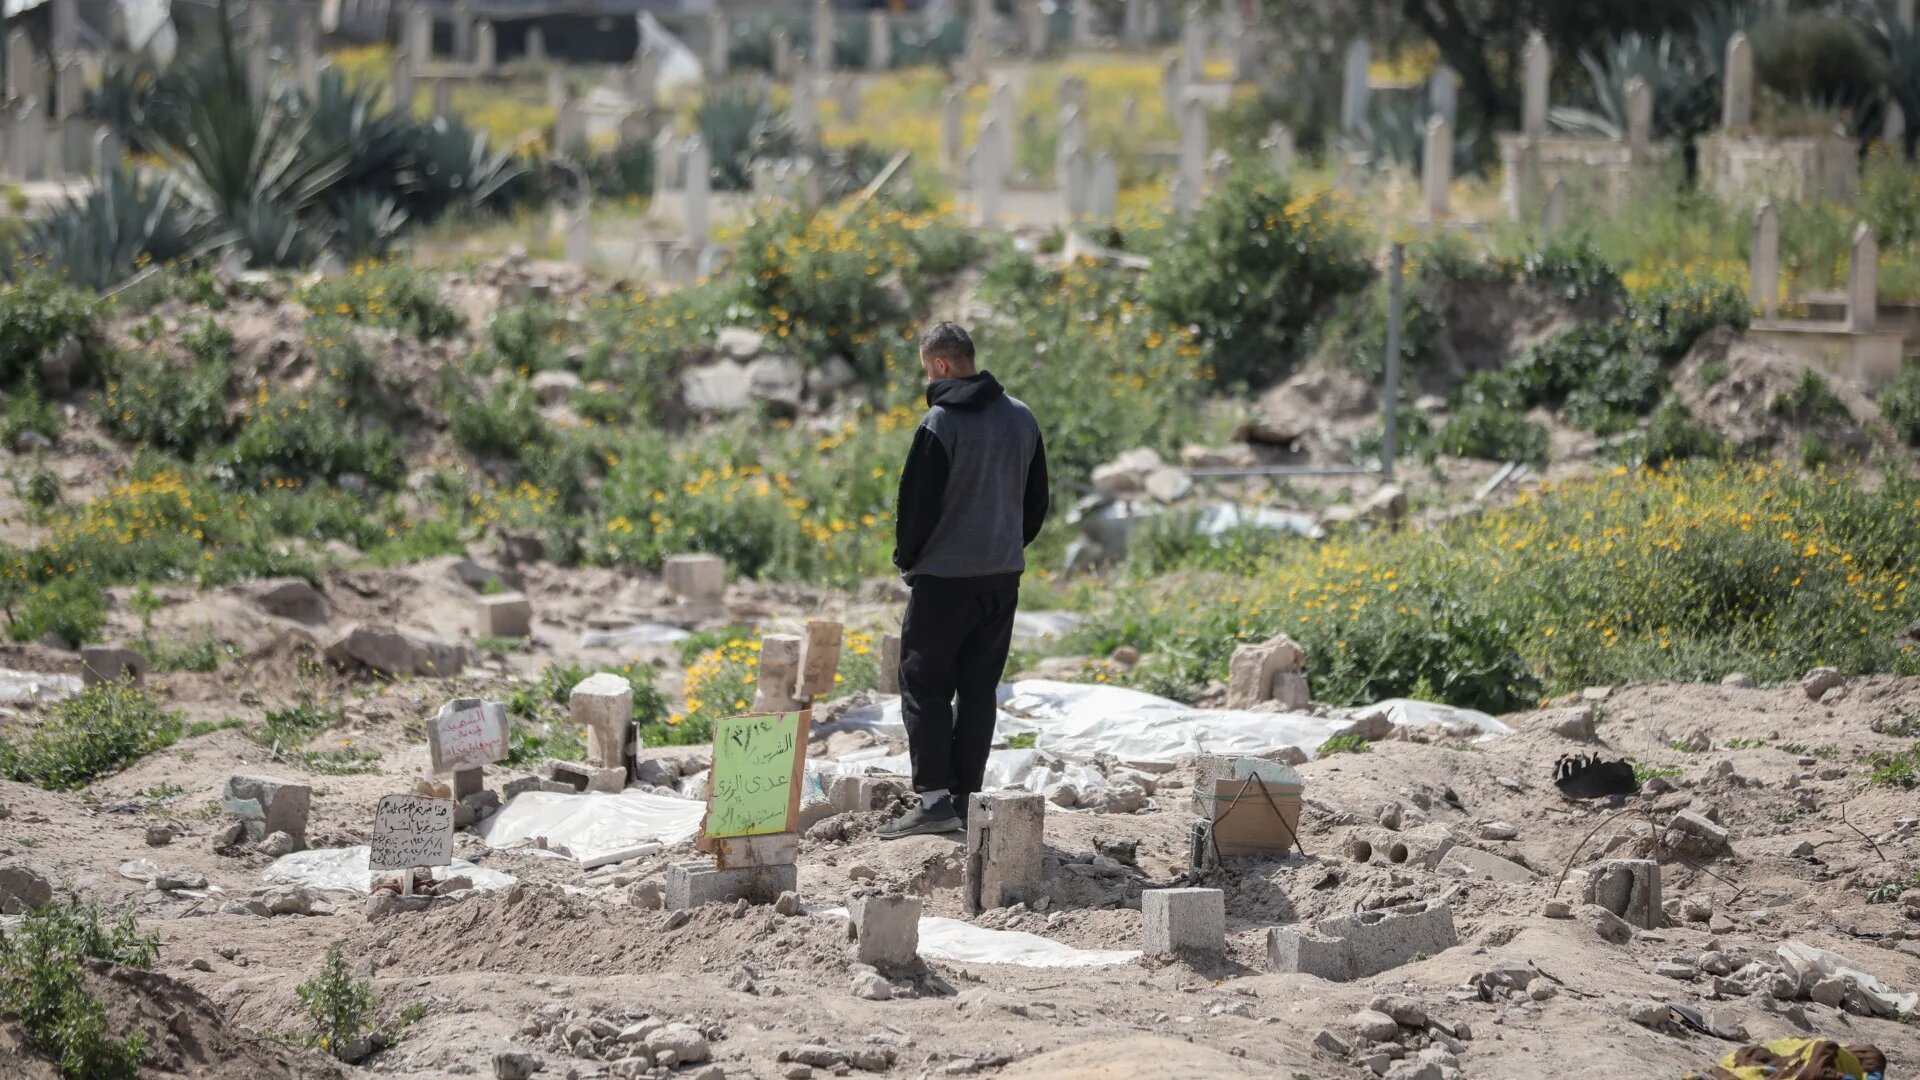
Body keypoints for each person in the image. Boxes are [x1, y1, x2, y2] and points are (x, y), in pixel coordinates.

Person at [877, 322, 1048, 839]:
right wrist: (1005, 547)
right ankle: (964, 797)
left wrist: (908, 558)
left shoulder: (941, 421)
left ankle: (932, 802)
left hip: (944, 580)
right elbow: (1036, 503)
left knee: (924, 684)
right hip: (1002, 579)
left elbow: (916, 505)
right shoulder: (1022, 417)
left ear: (942, 365)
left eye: (926, 367)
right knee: (978, 688)